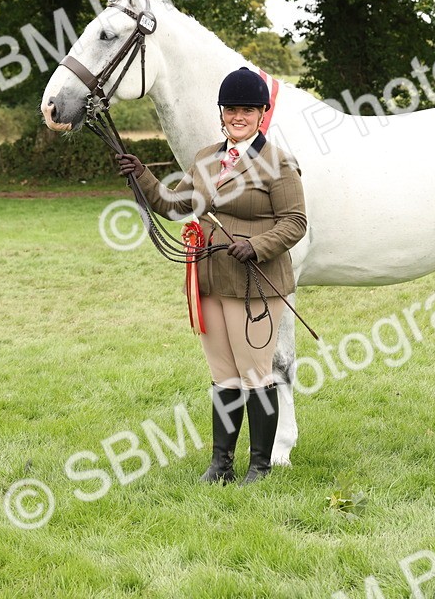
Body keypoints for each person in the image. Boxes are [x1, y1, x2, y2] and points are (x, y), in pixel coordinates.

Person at [117, 67, 306, 484]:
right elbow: (179, 205)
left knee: (257, 374)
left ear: (261, 114)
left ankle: (259, 466)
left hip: (256, 282)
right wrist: (142, 175)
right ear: (222, 113)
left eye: (247, 110)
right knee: (224, 375)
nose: (238, 116)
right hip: (209, 279)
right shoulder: (205, 158)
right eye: (231, 109)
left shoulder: (278, 163)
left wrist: (255, 246)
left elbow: (295, 222)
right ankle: (220, 464)